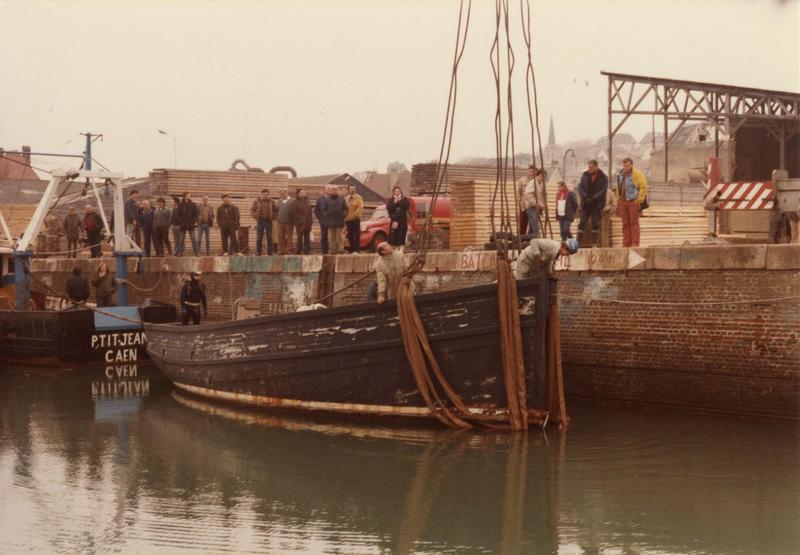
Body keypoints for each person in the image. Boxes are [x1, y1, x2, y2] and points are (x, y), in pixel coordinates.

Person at [615, 157, 648, 247]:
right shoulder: (620, 174)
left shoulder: (637, 174)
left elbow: (643, 187)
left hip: (632, 201)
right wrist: (618, 200)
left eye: (627, 166)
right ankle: (626, 243)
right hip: (623, 201)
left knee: (634, 223)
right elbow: (618, 187)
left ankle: (634, 243)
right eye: (624, 166)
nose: (626, 168)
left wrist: (639, 200)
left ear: (631, 165)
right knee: (625, 223)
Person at [577, 159, 608, 246]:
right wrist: (585, 197)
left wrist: (594, 198)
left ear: (596, 167)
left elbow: (603, 190)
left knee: (595, 223)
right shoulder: (585, 175)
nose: (589, 169)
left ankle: (594, 243)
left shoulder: (603, 177)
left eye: (591, 167)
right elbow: (580, 187)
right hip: (586, 203)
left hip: (597, 204)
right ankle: (578, 242)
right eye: (588, 167)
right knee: (582, 222)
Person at [515, 238, 579, 278]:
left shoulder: (556, 252)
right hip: (524, 261)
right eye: (567, 253)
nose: (566, 255)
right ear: (565, 247)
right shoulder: (552, 245)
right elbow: (533, 241)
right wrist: (539, 256)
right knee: (522, 287)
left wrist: (549, 273)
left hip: (532, 265)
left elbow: (548, 261)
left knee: (529, 288)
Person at [519, 166, 547, 237]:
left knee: (532, 227)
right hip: (531, 207)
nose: (543, 178)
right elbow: (527, 193)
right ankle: (538, 238)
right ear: (539, 175)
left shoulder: (541, 184)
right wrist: (535, 203)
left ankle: (528, 239)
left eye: (544, 177)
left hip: (536, 208)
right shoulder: (533, 182)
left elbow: (541, 196)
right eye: (542, 176)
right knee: (534, 225)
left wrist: (542, 206)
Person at [251, 189, 276, 255]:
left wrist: (273, 217)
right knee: (259, 237)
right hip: (260, 221)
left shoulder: (272, 202)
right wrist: (255, 217)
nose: (265, 196)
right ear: (261, 194)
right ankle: (258, 252)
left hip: (268, 221)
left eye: (266, 194)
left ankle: (270, 252)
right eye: (264, 194)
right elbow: (252, 210)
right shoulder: (257, 201)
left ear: (268, 195)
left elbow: (276, 210)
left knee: (269, 237)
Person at [175, 191, 199, 256]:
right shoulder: (180, 205)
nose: (189, 196)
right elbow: (178, 215)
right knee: (181, 239)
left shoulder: (193, 204)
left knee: (193, 239)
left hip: (191, 225)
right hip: (183, 225)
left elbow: (196, 214)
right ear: (185, 196)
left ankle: (196, 253)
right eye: (188, 195)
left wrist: (193, 222)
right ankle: (180, 253)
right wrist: (181, 222)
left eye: (190, 195)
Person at [325, 185, 347, 254]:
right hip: (331, 221)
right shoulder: (327, 200)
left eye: (336, 189)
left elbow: (345, 208)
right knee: (332, 237)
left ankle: (341, 248)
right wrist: (327, 214)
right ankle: (333, 249)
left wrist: (343, 214)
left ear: (337, 190)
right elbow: (324, 209)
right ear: (330, 191)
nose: (334, 190)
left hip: (339, 220)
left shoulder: (342, 199)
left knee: (340, 236)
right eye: (333, 189)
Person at [291, 188, 313, 255]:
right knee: (299, 238)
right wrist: (299, 220)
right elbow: (293, 213)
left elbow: (310, 212)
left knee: (307, 238)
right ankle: (298, 251)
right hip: (300, 223)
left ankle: (307, 251)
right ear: (298, 193)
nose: (304, 193)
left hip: (307, 223)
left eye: (304, 192)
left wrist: (310, 221)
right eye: (302, 192)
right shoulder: (295, 202)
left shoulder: (307, 201)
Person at [345, 184, 363, 253]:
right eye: (351, 189)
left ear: (355, 189)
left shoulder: (358, 198)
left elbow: (360, 207)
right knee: (350, 235)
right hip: (348, 220)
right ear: (349, 190)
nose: (352, 190)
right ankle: (351, 249)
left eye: (353, 189)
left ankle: (357, 249)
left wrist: (354, 215)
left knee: (356, 235)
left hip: (355, 219)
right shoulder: (346, 198)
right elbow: (345, 208)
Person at [276, 188, 295, 254]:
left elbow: (295, 211)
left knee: (289, 237)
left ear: (287, 193)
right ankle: (281, 250)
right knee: (280, 237)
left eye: (283, 193)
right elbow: (277, 211)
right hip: (280, 222)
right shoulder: (279, 201)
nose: (282, 194)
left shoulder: (292, 200)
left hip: (289, 222)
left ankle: (289, 250)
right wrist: (277, 218)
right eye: (281, 193)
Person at [315, 185, 331, 254]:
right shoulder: (320, 199)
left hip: (332, 221)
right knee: (324, 236)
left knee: (333, 236)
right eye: (328, 188)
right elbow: (316, 210)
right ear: (324, 190)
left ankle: (333, 250)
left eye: (330, 189)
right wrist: (320, 218)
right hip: (323, 221)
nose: (329, 190)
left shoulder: (333, 198)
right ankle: (325, 251)